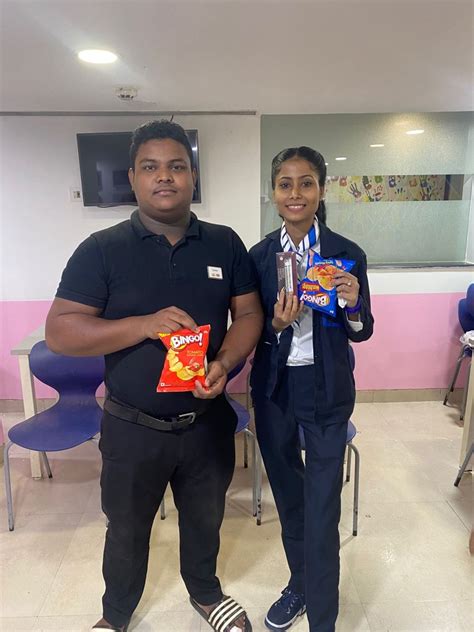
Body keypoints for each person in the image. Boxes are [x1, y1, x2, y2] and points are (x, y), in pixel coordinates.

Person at [46, 120, 263, 632]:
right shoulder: (101, 249)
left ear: (192, 176)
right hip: (132, 426)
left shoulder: (224, 244)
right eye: (150, 167)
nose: (164, 176)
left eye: (176, 166)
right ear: (133, 178)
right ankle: (115, 614)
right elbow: (60, 331)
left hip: (206, 421)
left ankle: (206, 594)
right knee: (125, 529)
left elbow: (250, 314)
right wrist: (143, 325)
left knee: (205, 519)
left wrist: (224, 363)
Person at [249, 146, 374, 632]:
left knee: (322, 507)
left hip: (327, 390)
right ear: (273, 193)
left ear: (322, 190)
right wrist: (276, 326)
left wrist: (353, 303)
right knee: (289, 497)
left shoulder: (347, 253)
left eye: (306, 183)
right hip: (275, 390)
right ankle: (300, 585)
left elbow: (362, 330)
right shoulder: (260, 256)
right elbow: (250, 327)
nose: (295, 193)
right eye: (285, 184)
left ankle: (323, 618)